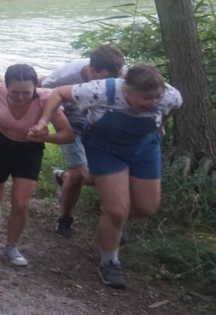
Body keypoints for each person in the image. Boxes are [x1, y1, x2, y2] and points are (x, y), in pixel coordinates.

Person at [31, 64, 182, 289]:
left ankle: (112, 214)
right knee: (117, 210)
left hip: (144, 148)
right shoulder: (100, 90)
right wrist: (43, 122)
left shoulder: (170, 95)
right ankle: (109, 262)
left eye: (157, 97)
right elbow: (58, 93)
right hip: (105, 148)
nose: (153, 102)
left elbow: (172, 107)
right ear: (127, 89)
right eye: (146, 98)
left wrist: (161, 126)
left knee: (146, 208)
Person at [0, 64, 75, 267]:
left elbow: (68, 134)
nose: (20, 97)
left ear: (35, 88)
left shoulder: (46, 100)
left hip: (29, 150)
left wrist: (45, 136)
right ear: (6, 86)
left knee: (21, 203)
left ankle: (11, 246)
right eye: (15, 92)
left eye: (26, 93)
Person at [40, 45, 126, 238]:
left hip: (103, 126)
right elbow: (43, 88)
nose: (111, 84)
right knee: (78, 174)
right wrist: (43, 120)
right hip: (73, 125)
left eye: (116, 78)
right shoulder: (67, 74)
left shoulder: (125, 75)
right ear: (92, 70)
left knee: (113, 174)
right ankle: (66, 218)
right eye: (106, 78)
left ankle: (115, 217)